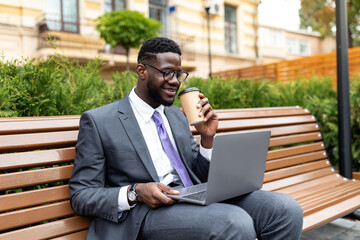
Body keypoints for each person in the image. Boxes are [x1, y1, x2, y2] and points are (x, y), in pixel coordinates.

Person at [69, 37, 303, 240]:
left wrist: (207, 139)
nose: (175, 81)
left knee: (285, 209)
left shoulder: (177, 116)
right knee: (233, 222)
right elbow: (81, 195)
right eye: (166, 73)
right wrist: (135, 192)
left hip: (193, 197)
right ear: (142, 71)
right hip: (145, 213)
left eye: (179, 74)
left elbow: (197, 175)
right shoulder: (100, 121)